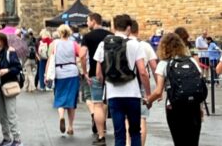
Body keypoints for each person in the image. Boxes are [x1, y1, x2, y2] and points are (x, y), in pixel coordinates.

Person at [94, 14, 150, 146]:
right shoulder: (135, 44)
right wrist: (148, 94)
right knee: (135, 132)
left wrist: (105, 84)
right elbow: (143, 72)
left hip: (113, 94)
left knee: (119, 134)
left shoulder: (103, 44)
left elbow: (98, 73)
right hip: (132, 94)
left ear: (114, 27)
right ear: (129, 28)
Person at [145, 33, 203, 146]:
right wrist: (200, 107)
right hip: (193, 106)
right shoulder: (192, 61)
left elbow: (158, 91)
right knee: (193, 141)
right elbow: (197, 85)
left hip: (174, 106)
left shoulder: (163, 64)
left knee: (179, 141)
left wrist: (148, 101)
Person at [50, 23, 84, 139]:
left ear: (59, 33)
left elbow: (50, 59)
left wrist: (46, 75)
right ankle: (70, 126)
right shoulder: (74, 44)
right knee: (71, 100)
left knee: (60, 96)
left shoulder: (55, 44)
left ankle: (61, 117)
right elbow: (81, 54)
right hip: (72, 72)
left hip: (59, 72)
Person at [82, 13, 112, 146]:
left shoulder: (88, 36)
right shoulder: (110, 35)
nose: (87, 23)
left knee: (97, 104)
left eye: (88, 21)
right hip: (110, 74)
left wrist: (85, 72)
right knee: (107, 103)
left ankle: (101, 135)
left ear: (93, 21)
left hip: (95, 73)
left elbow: (82, 55)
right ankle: (104, 124)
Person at [0, 32, 24, 146]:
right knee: (2, 115)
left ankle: (17, 139)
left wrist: (7, 70)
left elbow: (18, 67)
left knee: (11, 114)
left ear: (3, 41)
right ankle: (6, 138)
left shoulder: (9, 52)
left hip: (9, 85)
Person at [130, 20, 157, 146]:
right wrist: (158, 88)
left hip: (124, 84)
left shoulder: (122, 44)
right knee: (142, 118)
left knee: (126, 119)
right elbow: (154, 67)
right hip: (140, 83)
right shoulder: (145, 45)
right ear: (137, 30)